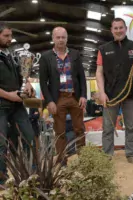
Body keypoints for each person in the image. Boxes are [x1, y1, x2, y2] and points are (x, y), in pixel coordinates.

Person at [96, 18, 133, 165]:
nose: (118, 31)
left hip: (131, 94)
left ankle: (131, 154)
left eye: (121, 28)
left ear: (125, 29)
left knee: (131, 126)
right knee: (108, 127)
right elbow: (99, 72)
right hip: (110, 95)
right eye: (116, 28)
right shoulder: (103, 49)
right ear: (111, 30)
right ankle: (107, 155)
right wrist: (101, 92)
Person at [39, 26, 87, 164]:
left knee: (79, 129)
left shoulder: (75, 54)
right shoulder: (46, 57)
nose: (60, 40)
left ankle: (84, 160)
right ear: (53, 38)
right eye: (58, 37)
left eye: (63, 37)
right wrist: (49, 101)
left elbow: (81, 77)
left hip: (74, 97)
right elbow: (43, 82)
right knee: (60, 132)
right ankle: (62, 161)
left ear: (67, 38)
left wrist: (83, 95)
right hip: (57, 99)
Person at [0, 22, 35, 184]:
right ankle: (1, 180)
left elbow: (23, 75)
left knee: (30, 139)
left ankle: (32, 174)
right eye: (6, 36)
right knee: (1, 145)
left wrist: (27, 84)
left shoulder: (11, 54)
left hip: (18, 106)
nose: (10, 39)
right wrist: (9, 95)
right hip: (1, 107)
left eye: (10, 35)